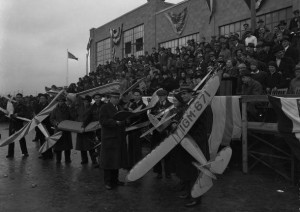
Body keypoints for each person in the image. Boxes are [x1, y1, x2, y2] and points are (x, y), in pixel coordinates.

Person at [175, 84, 212, 207]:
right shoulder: (186, 106)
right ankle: (188, 192)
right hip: (186, 142)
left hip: (196, 143)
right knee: (187, 169)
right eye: (182, 94)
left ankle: (196, 198)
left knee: (196, 171)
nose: (183, 96)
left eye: (185, 93)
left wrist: (193, 138)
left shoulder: (199, 106)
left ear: (192, 94)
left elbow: (204, 126)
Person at [99, 92, 127, 190]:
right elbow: (102, 121)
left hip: (118, 137)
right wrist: (115, 122)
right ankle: (107, 182)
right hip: (109, 138)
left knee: (116, 160)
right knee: (108, 160)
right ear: (109, 98)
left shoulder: (120, 108)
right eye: (114, 97)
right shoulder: (104, 107)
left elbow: (124, 118)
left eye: (117, 98)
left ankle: (115, 180)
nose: (116, 99)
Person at [149, 89, 173, 179]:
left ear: (166, 96)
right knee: (156, 152)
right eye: (159, 96)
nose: (161, 98)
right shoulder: (155, 106)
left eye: (162, 96)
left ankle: (168, 172)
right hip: (156, 132)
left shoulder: (171, 105)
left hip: (166, 132)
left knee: (168, 153)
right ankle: (158, 172)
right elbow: (151, 116)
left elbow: (173, 117)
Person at [126, 89, 147, 169]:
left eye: (138, 95)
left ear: (141, 96)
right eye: (135, 95)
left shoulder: (143, 105)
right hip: (130, 128)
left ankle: (137, 165)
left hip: (138, 128)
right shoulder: (131, 104)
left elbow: (144, 117)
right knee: (130, 146)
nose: (136, 96)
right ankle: (130, 164)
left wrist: (133, 114)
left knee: (137, 147)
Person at [73, 95, 98, 165]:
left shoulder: (93, 108)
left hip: (89, 129)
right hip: (80, 128)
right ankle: (84, 159)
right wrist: (77, 122)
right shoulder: (79, 107)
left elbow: (94, 117)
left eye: (87, 101)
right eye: (84, 101)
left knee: (91, 146)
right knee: (82, 146)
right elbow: (75, 115)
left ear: (89, 102)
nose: (85, 103)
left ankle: (94, 160)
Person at [50, 95, 73, 164]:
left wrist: (68, 124)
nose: (61, 102)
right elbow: (52, 118)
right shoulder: (55, 110)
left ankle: (67, 159)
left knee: (67, 147)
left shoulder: (68, 109)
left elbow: (71, 118)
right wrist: (56, 123)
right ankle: (58, 159)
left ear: (64, 101)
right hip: (58, 130)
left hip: (66, 130)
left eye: (62, 101)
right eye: (59, 101)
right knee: (58, 147)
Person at [6, 93, 29, 158]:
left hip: (19, 123)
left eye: (19, 97)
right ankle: (10, 153)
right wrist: (8, 113)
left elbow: (24, 113)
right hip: (12, 123)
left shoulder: (23, 105)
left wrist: (18, 114)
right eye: (17, 97)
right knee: (11, 139)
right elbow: (10, 111)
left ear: (22, 98)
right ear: (15, 98)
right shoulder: (13, 104)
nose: (18, 98)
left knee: (21, 138)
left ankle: (25, 152)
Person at [36, 94, 53, 160]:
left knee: (48, 139)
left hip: (47, 125)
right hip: (40, 125)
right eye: (40, 98)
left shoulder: (48, 106)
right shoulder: (38, 106)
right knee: (41, 140)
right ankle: (44, 154)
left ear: (46, 99)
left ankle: (49, 154)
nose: (41, 99)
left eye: (43, 98)